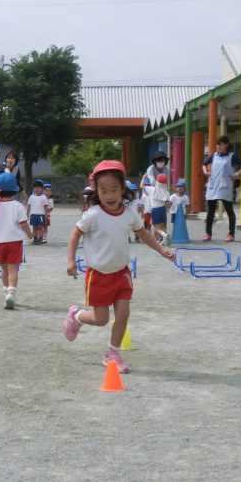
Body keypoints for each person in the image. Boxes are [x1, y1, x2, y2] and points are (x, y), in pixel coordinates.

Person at [63, 159, 174, 373]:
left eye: (114, 190)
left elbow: (142, 234)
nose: (110, 195)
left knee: (123, 313)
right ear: (97, 191)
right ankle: (76, 316)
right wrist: (70, 260)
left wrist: (162, 251)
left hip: (121, 273)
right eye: (104, 191)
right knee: (101, 319)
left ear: (122, 189)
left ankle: (112, 354)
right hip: (99, 275)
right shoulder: (93, 215)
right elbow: (75, 234)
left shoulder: (129, 213)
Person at [0, 172, 32, 310]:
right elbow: (23, 224)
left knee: (3, 268)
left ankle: (5, 292)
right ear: (14, 190)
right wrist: (30, 234)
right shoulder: (18, 206)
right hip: (15, 241)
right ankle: (11, 293)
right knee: (13, 268)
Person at [202, 135, 241, 242]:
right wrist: (206, 172)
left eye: (220, 144)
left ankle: (231, 234)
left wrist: (236, 174)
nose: (218, 146)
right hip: (213, 186)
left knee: (229, 211)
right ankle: (208, 233)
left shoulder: (232, 156)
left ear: (226, 145)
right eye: (217, 144)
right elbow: (204, 164)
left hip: (225, 186)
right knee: (210, 212)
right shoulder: (214, 155)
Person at [27, 180, 50, 244]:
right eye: (35, 187)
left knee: (40, 227)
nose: (37, 189)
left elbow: (46, 207)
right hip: (33, 215)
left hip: (41, 215)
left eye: (39, 187)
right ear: (33, 188)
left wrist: (46, 215)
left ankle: (40, 239)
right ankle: (35, 239)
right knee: (34, 227)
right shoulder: (31, 197)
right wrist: (27, 214)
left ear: (42, 189)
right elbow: (29, 206)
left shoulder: (44, 197)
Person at [151, 173, 170, 244]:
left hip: (155, 209)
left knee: (156, 228)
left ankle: (164, 235)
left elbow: (142, 186)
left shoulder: (153, 189)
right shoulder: (166, 192)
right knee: (162, 226)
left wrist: (144, 177)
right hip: (163, 209)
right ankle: (163, 240)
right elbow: (167, 205)